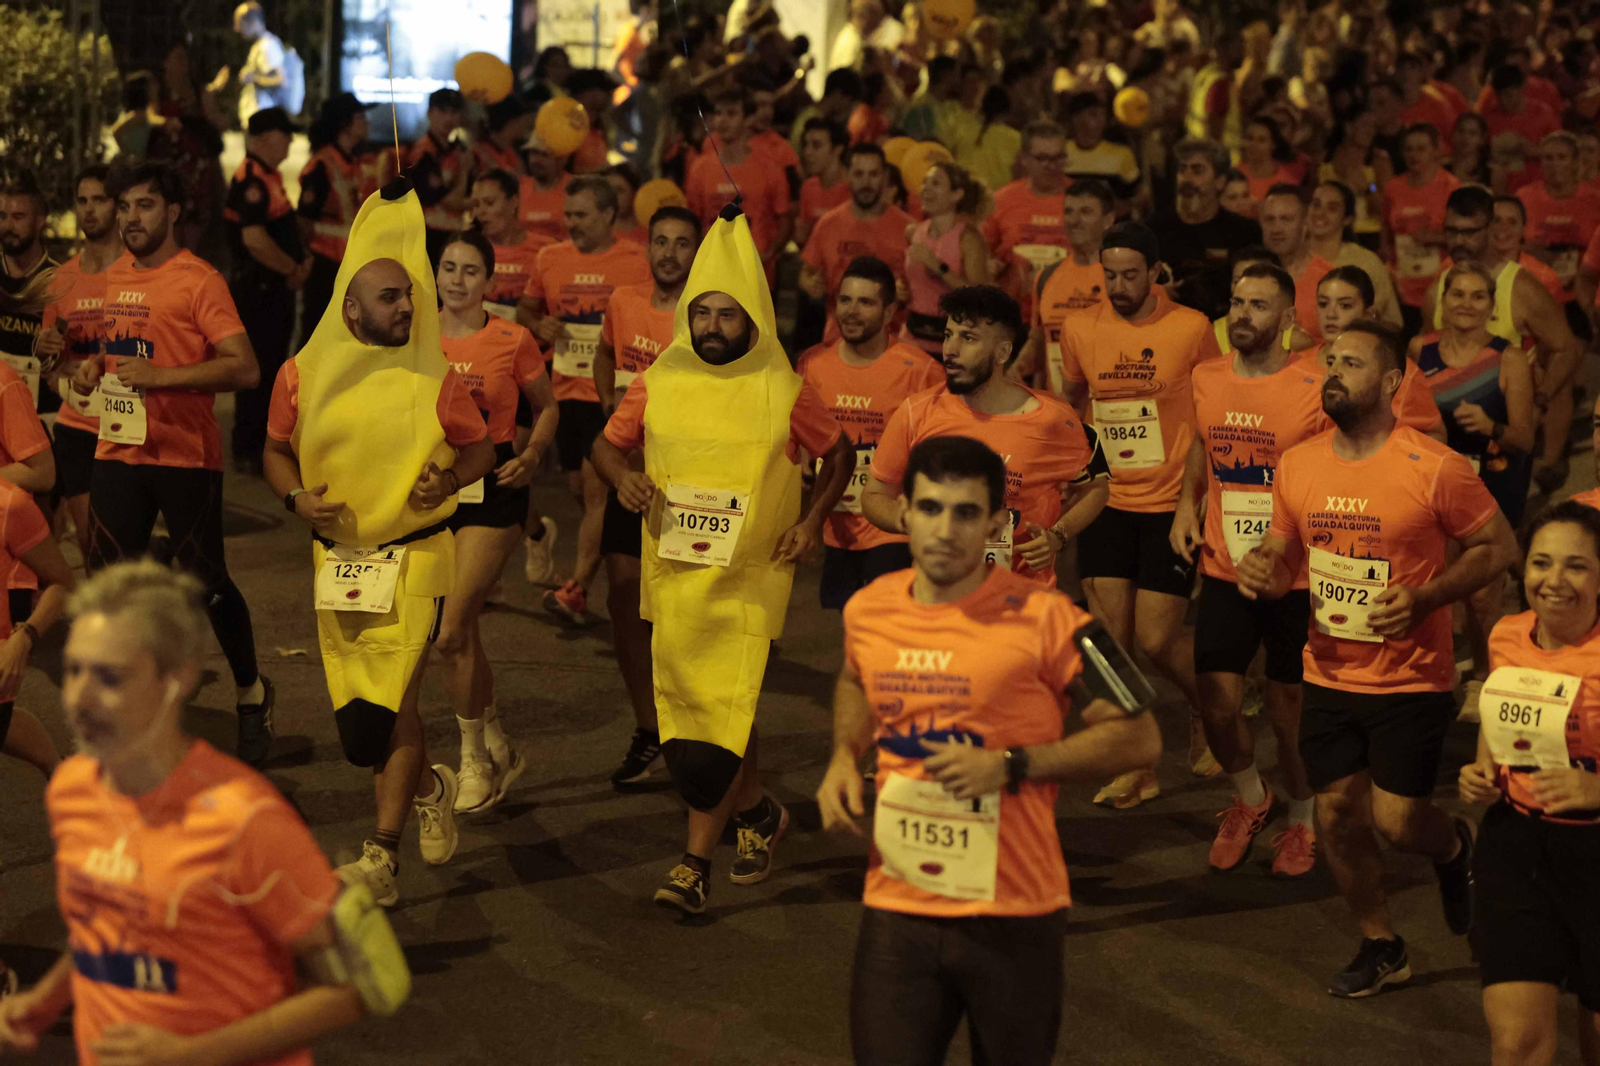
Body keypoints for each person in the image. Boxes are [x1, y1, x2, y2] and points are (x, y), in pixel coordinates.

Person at [819, 435, 1162, 1066]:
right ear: (904, 512)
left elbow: (1140, 733)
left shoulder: (1052, 617)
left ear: (998, 523)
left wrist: (1012, 765)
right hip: (900, 911)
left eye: (966, 512)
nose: (944, 530)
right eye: (928, 508)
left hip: (1014, 917)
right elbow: (853, 678)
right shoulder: (869, 609)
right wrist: (845, 753)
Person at [0, 560, 410, 1062]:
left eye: (110, 675)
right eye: (74, 669)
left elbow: (367, 984)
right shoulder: (74, 790)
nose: (81, 697)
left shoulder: (246, 819)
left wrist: (191, 1053)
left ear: (177, 678)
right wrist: (42, 1003)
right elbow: (103, 924)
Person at [1237, 319, 1519, 997]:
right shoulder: (1299, 462)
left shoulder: (1434, 467)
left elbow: (1498, 549)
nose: (1335, 371)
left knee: (1397, 823)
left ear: (1392, 382)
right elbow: (1283, 554)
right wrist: (1265, 570)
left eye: (1354, 363)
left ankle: (1452, 846)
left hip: (1411, 676)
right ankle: (1382, 943)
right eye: (1332, 360)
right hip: (1327, 670)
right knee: (1335, 811)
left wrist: (1427, 598)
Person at [589, 209, 854, 914]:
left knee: (716, 705)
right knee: (716, 702)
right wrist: (622, 478)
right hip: (673, 574)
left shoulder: (786, 389)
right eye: (701, 312)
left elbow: (840, 453)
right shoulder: (656, 381)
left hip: (750, 576)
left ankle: (691, 863)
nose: (710, 325)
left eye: (725, 315)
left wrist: (813, 518)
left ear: (754, 320)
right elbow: (606, 444)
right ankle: (759, 812)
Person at [263, 180, 497, 903]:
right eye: (391, 297)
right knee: (367, 714)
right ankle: (429, 784)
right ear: (352, 307)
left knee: (393, 700)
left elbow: (483, 449)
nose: (408, 306)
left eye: (409, 293)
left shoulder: (434, 375)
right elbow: (275, 451)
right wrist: (295, 496)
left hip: (419, 556)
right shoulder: (300, 373)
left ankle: (381, 855)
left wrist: (448, 479)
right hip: (339, 563)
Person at [70, 161, 274, 767]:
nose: (131, 218)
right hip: (118, 450)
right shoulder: (113, 277)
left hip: (186, 456)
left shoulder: (199, 281)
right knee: (109, 590)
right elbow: (122, 351)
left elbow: (245, 367)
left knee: (207, 586)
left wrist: (164, 378)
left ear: (174, 212)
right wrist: (94, 367)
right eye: (124, 206)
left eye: (145, 206)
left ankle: (251, 694)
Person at [1059, 222, 1225, 806]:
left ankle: (1209, 711)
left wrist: (1197, 499)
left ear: (1155, 272)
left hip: (1168, 504)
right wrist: (1072, 477)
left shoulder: (1191, 328)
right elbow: (1076, 402)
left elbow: (1213, 412)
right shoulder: (1080, 328)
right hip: (1107, 500)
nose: (1120, 285)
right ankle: (1137, 764)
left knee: (1157, 640)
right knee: (1113, 642)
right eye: (1110, 274)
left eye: (1132, 274)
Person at [1171, 263, 1321, 875]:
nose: (1242, 314)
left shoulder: (1313, 385)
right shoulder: (1207, 377)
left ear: (1287, 319)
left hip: (1295, 577)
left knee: (1289, 714)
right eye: (1236, 302)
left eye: (1258, 305)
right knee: (1218, 704)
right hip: (1227, 566)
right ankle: (1252, 798)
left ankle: (1303, 821)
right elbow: (1202, 445)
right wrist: (1186, 506)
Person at [1458, 502, 1600, 1066]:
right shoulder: (1506, 635)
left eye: (1577, 566)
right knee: (1517, 1045)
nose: (1554, 581)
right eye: (1541, 563)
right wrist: (1482, 774)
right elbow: (1501, 726)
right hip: (1517, 849)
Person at [864, 283, 1109, 590]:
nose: (951, 349)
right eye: (949, 335)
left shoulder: (1053, 419)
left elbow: (1097, 489)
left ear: (1003, 352)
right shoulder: (918, 411)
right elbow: (873, 495)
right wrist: (914, 520)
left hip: (1021, 600)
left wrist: (1057, 535)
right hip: (940, 595)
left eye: (968, 338)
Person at [434, 230, 556, 812]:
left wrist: (532, 457)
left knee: (452, 629)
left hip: (494, 487)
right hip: (431, 488)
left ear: (488, 281)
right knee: (466, 633)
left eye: (469, 271)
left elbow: (547, 406)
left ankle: (473, 760)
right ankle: (498, 741)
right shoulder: (413, 335)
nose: (457, 280)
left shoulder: (512, 339)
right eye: (448, 267)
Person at [593, 205, 701, 787]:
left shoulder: (706, 315)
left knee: (676, 616)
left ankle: (690, 727)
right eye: (660, 241)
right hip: (629, 478)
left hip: (687, 488)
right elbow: (607, 351)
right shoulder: (624, 301)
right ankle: (648, 727)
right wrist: (609, 403)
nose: (668, 253)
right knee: (624, 601)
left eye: (682, 244)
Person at [517, 175, 650, 624]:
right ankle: (623, 559)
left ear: (609, 215)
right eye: (568, 214)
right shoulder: (550, 258)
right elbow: (527, 309)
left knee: (596, 488)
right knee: (582, 489)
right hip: (566, 390)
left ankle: (577, 588)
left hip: (614, 393)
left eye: (581, 215)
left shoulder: (638, 259)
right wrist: (539, 326)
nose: (571, 223)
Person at [1412, 262, 1536, 720]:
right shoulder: (1418, 350)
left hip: (1491, 484)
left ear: (1491, 306)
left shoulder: (1509, 357)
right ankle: (1440, 674)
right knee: (1436, 583)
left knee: (1483, 596)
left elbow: (1525, 437)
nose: (1466, 304)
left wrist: (1491, 426)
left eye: (1477, 296)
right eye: (1457, 294)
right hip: (1433, 484)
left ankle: (1486, 676)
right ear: (1442, 302)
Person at [803, 256, 943, 610]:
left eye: (866, 302)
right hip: (835, 523)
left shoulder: (922, 372)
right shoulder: (812, 365)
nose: (852, 311)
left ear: (889, 311)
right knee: (848, 624)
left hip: (891, 527)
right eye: (845, 300)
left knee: (887, 620)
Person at [1425, 185, 1584, 495]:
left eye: (1469, 232)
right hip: (1448, 437)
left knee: (1501, 531)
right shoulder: (1440, 287)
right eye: (1452, 231)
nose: (1459, 241)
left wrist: (1540, 399)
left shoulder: (1520, 286)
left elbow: (1568, 347)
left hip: (1502, 439)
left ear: (1490, 230)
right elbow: (1429, 354)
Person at [37, 165, 123, 563]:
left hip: (127, 424)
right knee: (93, 548)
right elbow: (51, 366)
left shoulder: (138, 274)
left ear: (117, 206)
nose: (89, 210)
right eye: (82, 201)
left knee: (125, 545)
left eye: (99, 200)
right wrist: (48, 353)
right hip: (77, 426)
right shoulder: (60, 280)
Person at [224, 106, 310, 476]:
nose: (290, 140)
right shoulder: (252, 181)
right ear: (262, 138)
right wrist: (291, 267)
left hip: (272, 290)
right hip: (259, 292)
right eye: (283, 133)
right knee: (257, 369)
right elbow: (254, 239)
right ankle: (250, 447)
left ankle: (259, 444)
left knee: (270, 365)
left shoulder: (267, 175)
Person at [1296, 265, 1445, 440]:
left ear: (1369, 314)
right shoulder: (1296, 365)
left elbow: (1435, 434)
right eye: (1323, 304)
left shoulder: (1399, 371)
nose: (1331, 314)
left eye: (1345, 305)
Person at [800, 143, 912, 342]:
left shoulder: (909, 229)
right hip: (838, 341)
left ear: (885, 176)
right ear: (848, 176)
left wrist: (908, 292)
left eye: (873, 174)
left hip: (892, 344)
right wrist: (809, 283)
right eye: (859, 174)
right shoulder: (828, 224)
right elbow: (807, 272)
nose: (866, 182)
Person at [684, 90, 794, 280]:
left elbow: (786, 220)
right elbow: (692, 219)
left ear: (748, 119)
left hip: (756, 275)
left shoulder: (769, 169)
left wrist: (768, 254)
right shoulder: (699, 169)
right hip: (713, 271)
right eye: (719, 113)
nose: (723, 121)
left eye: (731, 114)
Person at [1151, 138, 1263, 322]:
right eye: (1182, 169)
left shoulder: (1245, 233)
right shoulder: (1152, 230)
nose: (1186, 178)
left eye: (1197, 170)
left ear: (1220, 181)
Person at [1023, 178, 1114, 395]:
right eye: (1069, 211)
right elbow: (1038, 346)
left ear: (1108, 220)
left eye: (1085, 212)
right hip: (1060, 415)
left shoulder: (1122, 278)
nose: (1074, 220)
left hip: (1108, 415)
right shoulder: (1046, 276)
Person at [298, 92, 377, 337]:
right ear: (345, 124)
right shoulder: (322, 166)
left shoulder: (352, 162)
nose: (367, 122)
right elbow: (303, 221)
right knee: (316, 335)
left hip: (348, 263)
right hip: (324, 264)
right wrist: (305, 259)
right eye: (360, 117)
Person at [899, 162, 989, 357]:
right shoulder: (913, 232)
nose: (926, 189)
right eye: (925, 182)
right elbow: (912, 284)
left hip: (952, 344)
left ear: (956, 195)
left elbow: (979, 297)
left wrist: (937, 266)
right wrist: (900, 290)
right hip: (913, 338)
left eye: (936, 183)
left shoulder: (969, 238)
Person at [982, 121, 1071, 319]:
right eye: (1042, 158)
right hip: (1013, 315)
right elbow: (980, 255)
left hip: (1068, 312)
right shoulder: (1001, 201)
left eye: (1058, 158)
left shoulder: (1082, 199)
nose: (1051, 166)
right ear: (1024, 159)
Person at [1383, 123, 1459, 332]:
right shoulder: (1393, 187)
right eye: (1409, 149)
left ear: (1436, 151)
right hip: (1403, 286)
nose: (1414, 155)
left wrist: (1434, 237)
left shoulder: (1451, 187)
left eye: (1421, 149)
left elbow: (1465, 236)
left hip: (1439, 284)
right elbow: (1386, 233)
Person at [1305, 180, 1404, 329]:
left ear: (1347, 219)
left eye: (1332, 208)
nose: (1320, 213)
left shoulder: (1366, 262)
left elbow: (1392, 322)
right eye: (1316, 204)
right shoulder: (1291, 257)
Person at [0, 179, 60, 416]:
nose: (7, 226)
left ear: (40, 221)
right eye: (2, 216)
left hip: (41, 416)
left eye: (18, 217)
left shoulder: (59, 280)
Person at [1259, 184, 1333, 345]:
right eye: (1270, 219)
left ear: (1305, 223)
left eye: (1286, 219)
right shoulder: (1247, 278)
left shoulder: (1329, 280)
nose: (1276, 229)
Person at [407, 88, 470, 268]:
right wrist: (465, 172)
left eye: (454, 112)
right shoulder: (423, 153)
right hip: (428, 237)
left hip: (450, 234)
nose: (448, 118)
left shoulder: (456, 150)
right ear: (429, 113)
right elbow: (450, 202)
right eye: (442, 111)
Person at [470, 169, 542, 320]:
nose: (480, 212)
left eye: (489, 203)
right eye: (476, 204)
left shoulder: (544, 250)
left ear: (513, 202)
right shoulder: (468, 250)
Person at [1063, 92, 1140, 208]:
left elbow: (1138, 194)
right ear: (1076, 118)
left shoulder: (1121, 154)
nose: (1100, 120)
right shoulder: (1060, 152)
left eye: (1103, 115)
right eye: (1093, 114)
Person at [227, 1, 288, 125]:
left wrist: (252, 78)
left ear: (254, 22)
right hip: (255, 118)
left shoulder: (268, 46)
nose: (237, 29)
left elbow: (280, 80)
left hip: (262, 120)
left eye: (240, 24)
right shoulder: (259, 45)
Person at [795, 118, 851, 247]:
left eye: (816, 145)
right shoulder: (808, 187)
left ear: (838, 149)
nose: (807, 152)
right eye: (806, 145)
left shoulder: (854, 187)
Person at [518, 132, 573, 248]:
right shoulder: (517, 188)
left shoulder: (576, 188)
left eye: (544, 154)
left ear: (563, 159)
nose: (536, 160)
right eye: (533, 153)